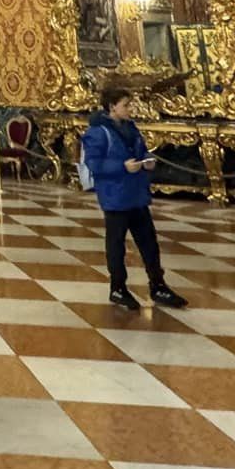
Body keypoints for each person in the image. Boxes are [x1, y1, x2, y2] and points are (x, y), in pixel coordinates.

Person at [81, 88, 188, 312]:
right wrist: (122, 167)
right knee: (116, 244)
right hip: (115, 196)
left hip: (136, 194)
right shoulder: (98, 132)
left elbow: (141, 151)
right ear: (112, 106)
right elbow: (94, 163)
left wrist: (146, 160)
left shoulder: (130, 128)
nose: (130, 109)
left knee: (149, 243)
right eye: (126, 105)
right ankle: (118, 287)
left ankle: (157, 285)